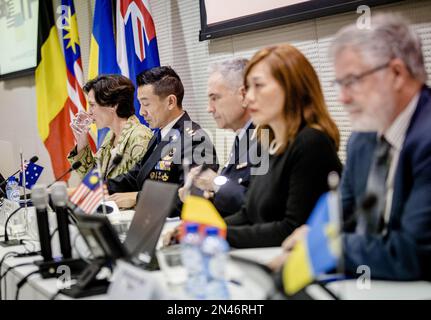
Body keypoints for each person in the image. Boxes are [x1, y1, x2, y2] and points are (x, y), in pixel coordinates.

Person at [276, 14, 431, 281]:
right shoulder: (362, 140)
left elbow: (413, 253)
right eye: (340, 84)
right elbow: (342, 219)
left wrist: (323, 247)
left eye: (353, 81)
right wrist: (312, 239)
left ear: (396, 73)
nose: (343, 98)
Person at [224, 44, 342, 248]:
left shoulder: (311, 143)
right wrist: (203, 229)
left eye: (258, 86)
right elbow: (248, 214)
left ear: (292, 87)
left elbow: (292, 229)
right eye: (247, 88)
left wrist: (219, 234)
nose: (249, 97)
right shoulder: (265, 143)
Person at [107, 66, 218, 211]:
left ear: (171, 102)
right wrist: (94, 191)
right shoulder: (160, 135)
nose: (141, 112)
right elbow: (134, 177)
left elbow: (193, 195)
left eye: (146, 104)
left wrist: (138, 198)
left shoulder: (195, 140)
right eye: (140, 104)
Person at [178, 58, 259, 217]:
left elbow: (259, 207)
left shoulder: (263, 137)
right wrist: (201, 194)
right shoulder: (243, 137)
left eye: (215, 98)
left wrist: (215, 182)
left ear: (243, 95)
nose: (209, 108)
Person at [68, 74, 153, 180]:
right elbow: (93, 179)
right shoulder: (110, 135)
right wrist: (81, 140)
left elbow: (144, 187)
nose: (89, 112)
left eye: (92, 105)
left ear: (113, 105)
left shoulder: (140, 137)